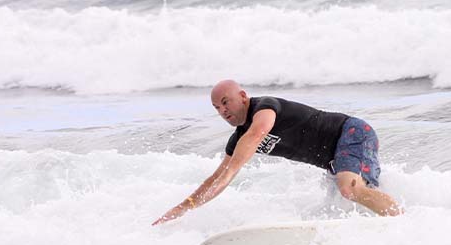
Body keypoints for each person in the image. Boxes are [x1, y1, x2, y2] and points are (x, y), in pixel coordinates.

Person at [153, 80, 402, 225]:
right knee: (343, 205)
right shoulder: (237, 139)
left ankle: (402, 222)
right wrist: (183, 207)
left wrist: (232, 170)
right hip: (334, 161)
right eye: (217, 107)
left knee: (348, 190)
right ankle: (386, 226)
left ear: (242, 96)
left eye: (226, 102)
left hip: (351, 133)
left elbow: (257, 133)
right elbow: (215, 179)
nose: (223, 110)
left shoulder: (265, 107)